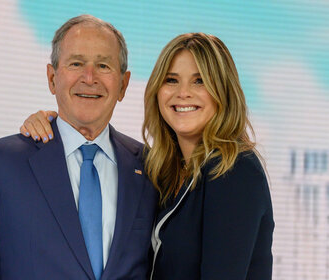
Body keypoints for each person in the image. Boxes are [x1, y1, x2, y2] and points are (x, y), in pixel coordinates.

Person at [21, 32, 274, 279]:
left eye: (200, 81)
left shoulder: (234, 169)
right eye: (172, 80)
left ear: (223, 92)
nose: (183, 93)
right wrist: (56, 126)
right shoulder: (163, 170)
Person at [0, 15, 158, 280]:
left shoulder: (150, 168)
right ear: (52, 77)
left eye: (103, 65)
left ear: (123, 85)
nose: (89, 77)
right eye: (76, 63)